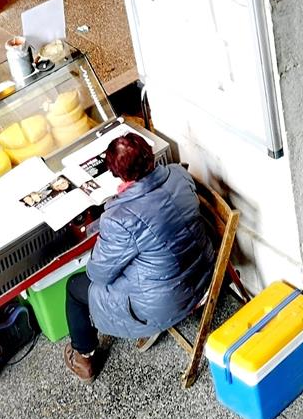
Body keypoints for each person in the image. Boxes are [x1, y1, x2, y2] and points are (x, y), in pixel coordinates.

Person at [64, 133, 213, 381]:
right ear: (150, 154)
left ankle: (84, 356)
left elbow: (98, 274)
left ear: (117, 174)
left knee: (75, 288)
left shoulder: (120, 217)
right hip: (204, 272)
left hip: (167, 301)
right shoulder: (178, 174)